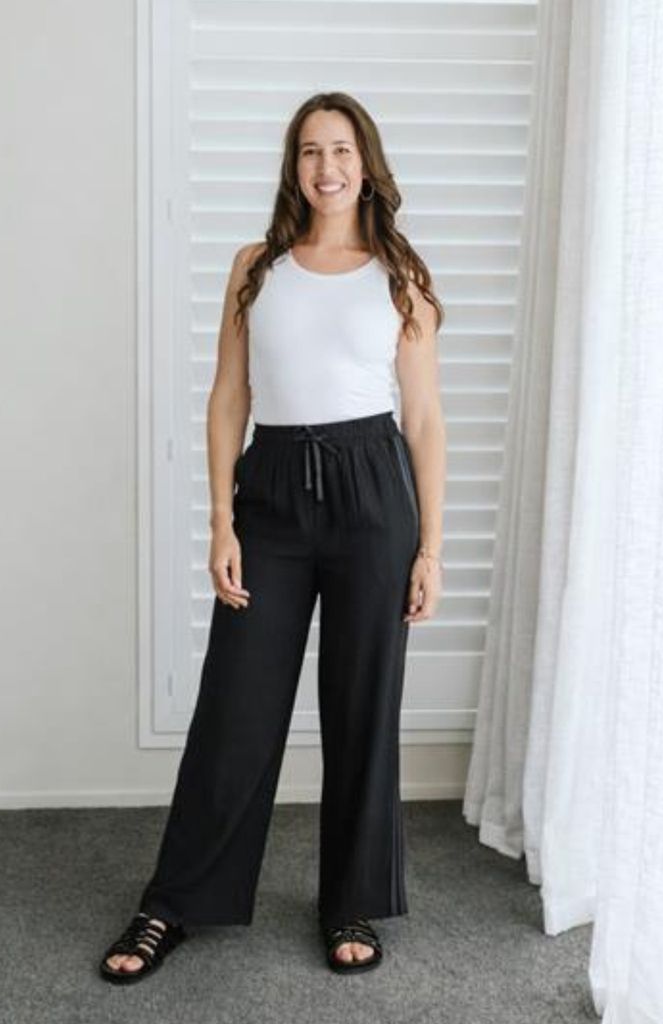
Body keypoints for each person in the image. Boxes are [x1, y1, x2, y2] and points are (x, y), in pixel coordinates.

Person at [99, 91, 446, 985]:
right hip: (274, 493)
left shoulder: (400, 274)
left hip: (374, 494)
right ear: (294, 167)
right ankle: (174, 902)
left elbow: (424, 420)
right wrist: (222, 519)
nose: (326, 167)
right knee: (237, 706)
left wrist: (430, 549)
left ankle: (350, 900)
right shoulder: (256, 267)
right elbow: (229, 397)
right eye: (309, 151)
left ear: (366, 165)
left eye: (341, 150)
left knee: (363, 706)